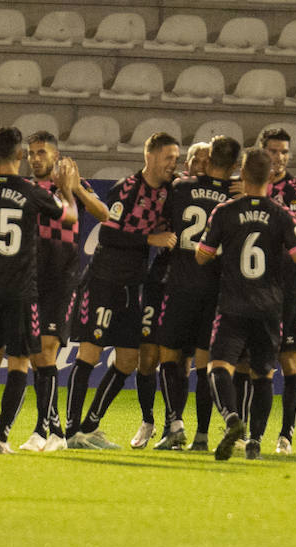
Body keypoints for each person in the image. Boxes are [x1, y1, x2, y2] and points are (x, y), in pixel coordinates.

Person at [0, 126, 79, 454]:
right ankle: (1, 437)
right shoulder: (30, 191)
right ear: (20, 155)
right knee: (19, 362)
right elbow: (67, 218)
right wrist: (66, 191)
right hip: (19, 288)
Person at [195, 147, 296, 461]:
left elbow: (202, 255)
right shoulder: (282, 214)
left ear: (243, 175)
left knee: (218, 367)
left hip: (233, 304)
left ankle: (233, 420)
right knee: (264, 376)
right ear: (269, 177)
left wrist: (219, 249)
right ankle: (256, 443)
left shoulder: (224, 212)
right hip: (269, 308)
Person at [64, 131, 180, 449]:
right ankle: (71, 432)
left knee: (128, 359)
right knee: (90, 353)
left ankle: (89, 426)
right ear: (151, 156)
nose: (174, 163)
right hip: (104, 281)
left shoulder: (170, 191)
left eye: (176, 157)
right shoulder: (127, 189)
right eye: (169, 157)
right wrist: (148, 240)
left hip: (132, 286)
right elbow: (107, 236)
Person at [18, 130, 104, 453]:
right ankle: (53, 429)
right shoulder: (25, 189)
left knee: (48, 349)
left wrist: (76, 187)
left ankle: (44, 430)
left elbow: (104, 214)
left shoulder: (71, 187)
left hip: (61, 276)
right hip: (30, 276)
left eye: (42, 152)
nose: (36, 158)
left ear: (57, 156)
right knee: (38, 357)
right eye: (31, 153)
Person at [154, 134, 241, 450]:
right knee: (204, 364)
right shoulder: (235, 198)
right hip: (216, 291)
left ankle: (174, 423)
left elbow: (162, 219)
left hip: (180, 285)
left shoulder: (180, 189)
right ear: (233, 166)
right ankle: (202, 437)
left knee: (169, 356)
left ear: (210, 159)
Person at [260, 127, 296, 456]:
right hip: (252, 284)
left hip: (287, 285)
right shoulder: (245, 180)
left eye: (284, 153)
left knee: (290, 362)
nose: (279, 158)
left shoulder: (294, 188)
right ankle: (248, 433)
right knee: (249, 364)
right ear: (261, 151)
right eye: (273, 151)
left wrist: (257, 202)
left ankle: (286, 434)